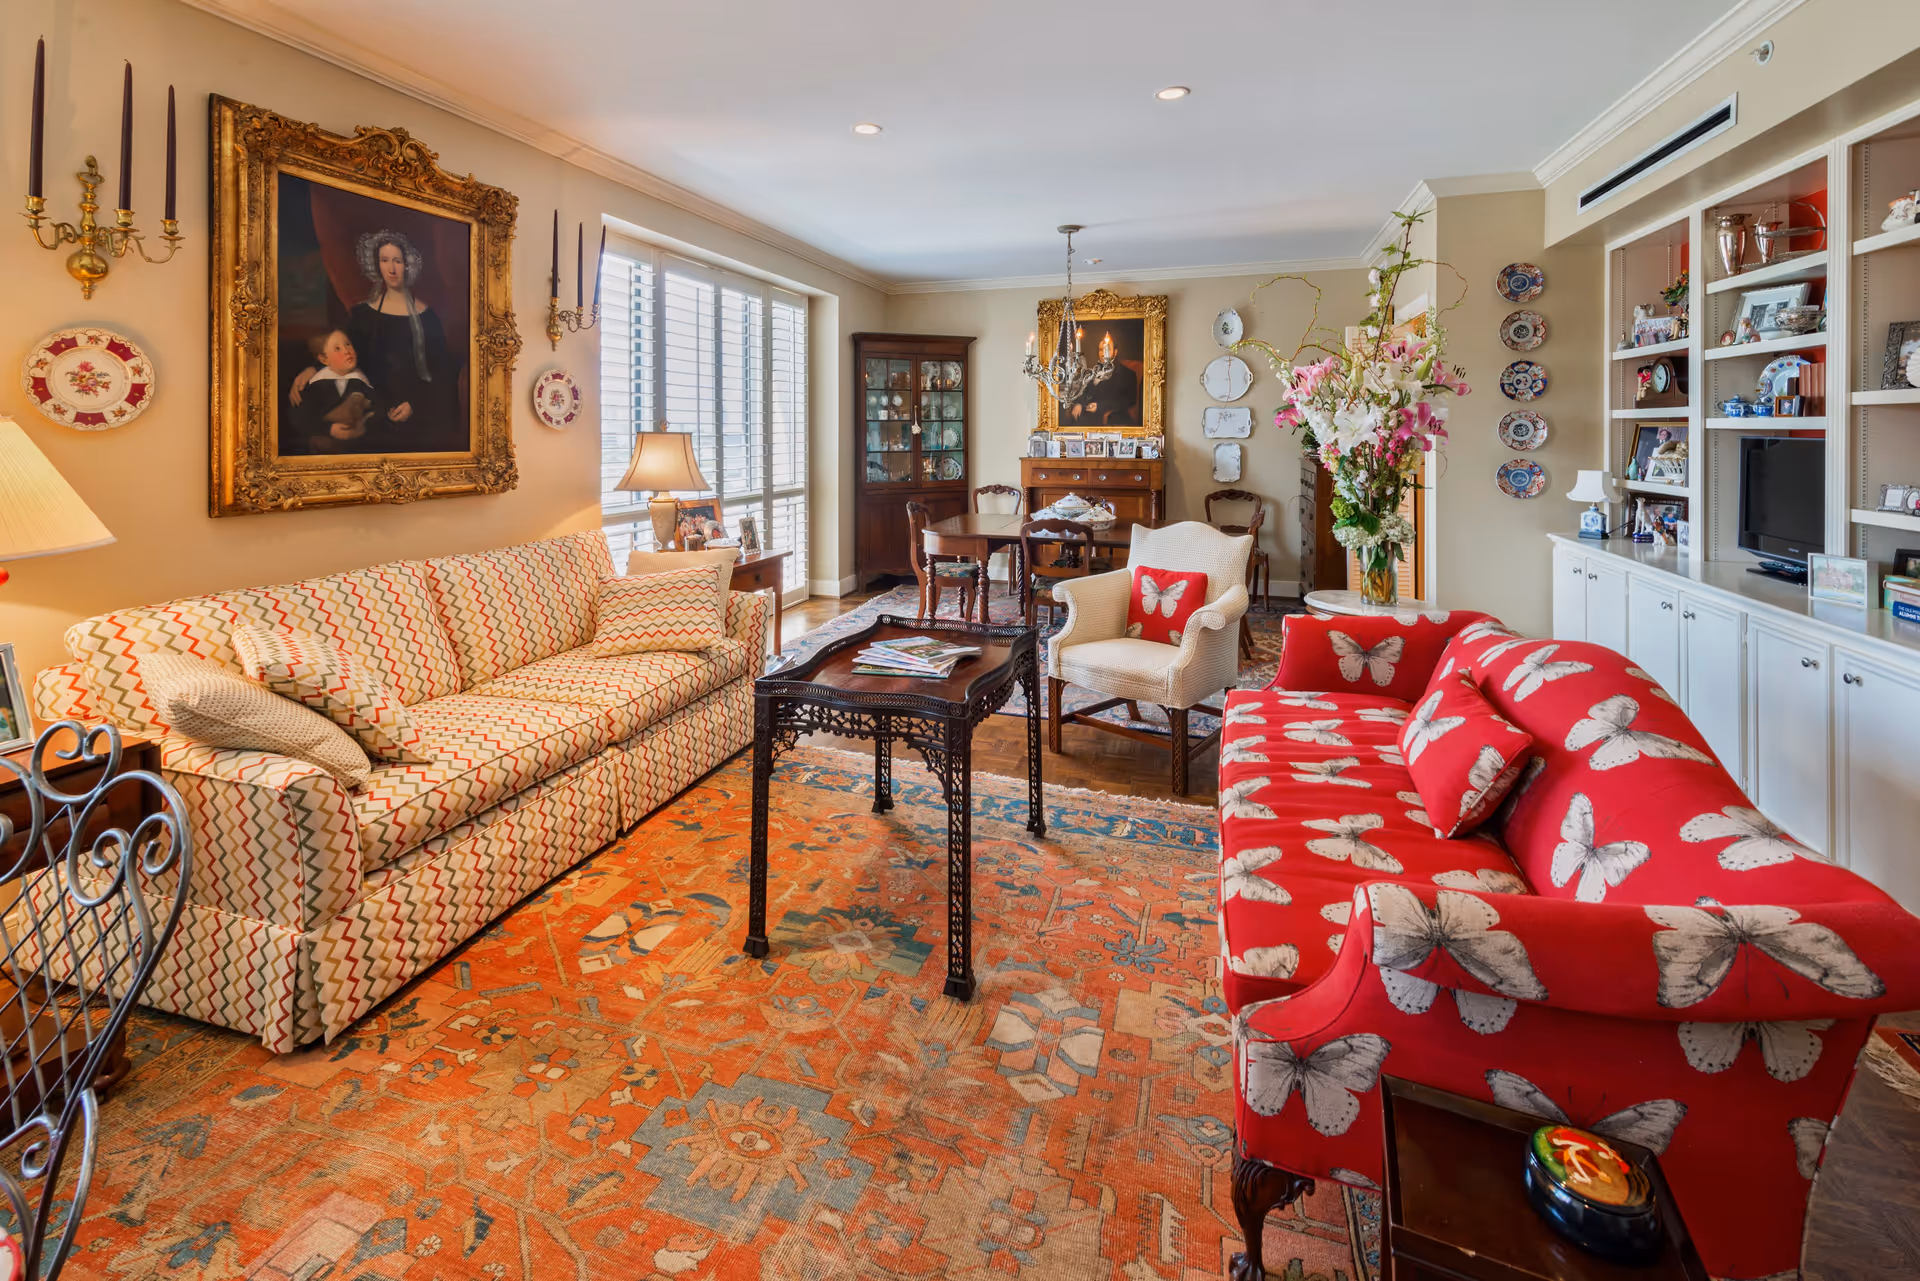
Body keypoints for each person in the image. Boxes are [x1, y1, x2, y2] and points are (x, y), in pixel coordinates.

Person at [291, 229, 466, 452]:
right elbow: (342, 353)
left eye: (397, 261)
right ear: (377, 265)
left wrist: (415, 405)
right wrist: (313, 369)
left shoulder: (428, 317)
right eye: (384, 261)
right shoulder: (362, 314)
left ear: (407, 265)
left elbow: (441, 371)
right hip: (371, 411)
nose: (391, 269)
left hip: (416, 413)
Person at [285, 329, 391, 455]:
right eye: (337, 348)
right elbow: (299, 418)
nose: (346, 351)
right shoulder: (313, 386)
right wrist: (329, 429)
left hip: (359, 449)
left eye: (347, 344)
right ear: (324, 359)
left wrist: (365, 425)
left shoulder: (362, 382)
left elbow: (380, 408)